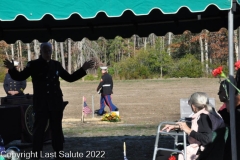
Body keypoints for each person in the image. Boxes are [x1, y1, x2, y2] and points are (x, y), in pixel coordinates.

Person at [3, 42, 94, 160]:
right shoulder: (33, 65)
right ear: (41, 51)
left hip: (55, 102)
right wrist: (12, 69)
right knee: (38, 130)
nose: (47, 53)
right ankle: (36, 155)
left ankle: (59, 154)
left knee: (56, 129)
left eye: (49, 51)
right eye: (45, 51)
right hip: (41, 104)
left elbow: (70, 78)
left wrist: (83, 69)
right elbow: (20, 77)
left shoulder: (56, 65)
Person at [161, 92, 225, 160]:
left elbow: (207, 139)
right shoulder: (212, 113)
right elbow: (197, 126)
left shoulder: (204, 117)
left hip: (201, 153)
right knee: (163, 153)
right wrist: (177, 126)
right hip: (214, 151)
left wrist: (189, 131)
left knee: (162, 155)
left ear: (193, 106)